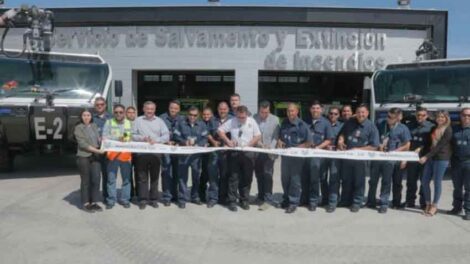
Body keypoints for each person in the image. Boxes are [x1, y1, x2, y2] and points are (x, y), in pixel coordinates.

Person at [367, 108, 411, 214]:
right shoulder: (380, 123)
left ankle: (383, 203)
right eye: (387, 116)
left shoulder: (403, 128)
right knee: (372, 181)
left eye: (391, 117)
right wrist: (378, 145)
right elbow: (373, 135)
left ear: (397, 118)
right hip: (378, 157)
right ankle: (371, 201)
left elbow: (407, 145)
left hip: (390, 159)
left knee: (386, 182)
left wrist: (395, 152)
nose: (388, 119)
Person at [218, 105, 261, 212]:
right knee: (233, 177)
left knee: (247, 178)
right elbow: (220, 130)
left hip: (248, 153)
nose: (241, 119)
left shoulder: (252, 121)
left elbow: (258, 135)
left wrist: (250, 145)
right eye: (239, 117)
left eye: (243, 117)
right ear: (236, 114)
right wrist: (228, 141)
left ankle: (244, 200)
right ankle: (232, 201)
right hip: (234, 153)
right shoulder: (232, 121)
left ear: (247, 114)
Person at [337, 104, 379, 212]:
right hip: (347, 157)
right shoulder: (349, 122)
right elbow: (342, 133)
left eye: (363, 112)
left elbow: (374, 146)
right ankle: (345, 200)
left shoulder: (371, 126)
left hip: (360, 160)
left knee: (359, 181)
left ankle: (357, 202)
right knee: (346, 180)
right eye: (359, 112)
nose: (361, 114)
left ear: (367, 113)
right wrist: (340, 140)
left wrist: (358, 150)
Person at [132, 101, 170, 210]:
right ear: (143, 109)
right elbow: (132, 135)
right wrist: (142, 138)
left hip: (155, 153)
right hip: (141, 153)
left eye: (152, 109)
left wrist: (157, 140)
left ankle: (154, 199)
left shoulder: (160, 121)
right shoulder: (138, 121)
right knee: (142, 177)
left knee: (154, 177)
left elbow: (166, 136)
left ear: (155, 109)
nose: (149, 111)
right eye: (147, 109)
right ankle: (143, 199)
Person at [278, 103, 311, 214]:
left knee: (295, 181)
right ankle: (286, 199)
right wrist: (280, 141)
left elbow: (309, 142)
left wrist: (295, 148)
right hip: (286, 157)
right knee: (285, 179)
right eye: (288, 111)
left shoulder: (303, 125)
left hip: (297, 158)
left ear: (297, 111)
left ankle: (293, 202)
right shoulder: (284, 123)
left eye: (292, 111)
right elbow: (281, 137)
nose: (290, 113)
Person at [174, 106, 209, 208]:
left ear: (198, 115)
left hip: (196, 157)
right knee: (182, 178)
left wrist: (198, 144)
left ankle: (195, 197)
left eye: (195, 115)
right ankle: (182, 199)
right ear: (187, 114)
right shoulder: (181, 123)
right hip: (183, 156)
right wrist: (184, 142)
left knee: (196, 178)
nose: (192, 117)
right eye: (191, 115)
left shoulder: (202, 124)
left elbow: (205, 138)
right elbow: (176, 136)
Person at [419, 110, 452, 216]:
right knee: (424, 181)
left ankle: (434, 206)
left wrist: (426, 157)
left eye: (442, 117)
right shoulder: (434, 128)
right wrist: (420, 150)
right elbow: (430, 144)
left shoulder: (448, 129)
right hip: (431, 157)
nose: (440, 118)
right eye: (438, 117)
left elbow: (440, 146)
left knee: (437, 182)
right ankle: (428, 203)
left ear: (446, 118)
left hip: (441, 158)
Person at [303, 100, 334, 212]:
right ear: (310, 110)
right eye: (313, 108)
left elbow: (329, 139)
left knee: (317, 179)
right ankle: (306, 199)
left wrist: (318, 148)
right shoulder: (305, 121)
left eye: (317, 108)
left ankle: (314, 201)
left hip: (319, 156)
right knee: (306, 178)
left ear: (321, 110)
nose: (315, 110)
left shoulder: (326, 123)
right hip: (306, 155)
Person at [74, 109, 106, 213]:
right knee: (86, 180)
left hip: (95, 155)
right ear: (81, 116)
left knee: (96, 179)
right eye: (84, 115)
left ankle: (94, 202)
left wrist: (103, 140)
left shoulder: (94, 126)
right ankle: (86, 203)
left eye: (88, 115)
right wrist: (98, 150)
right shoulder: (78, 128)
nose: (86, 117)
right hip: (84, 156)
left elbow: (98, 139)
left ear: (91, 117)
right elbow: (83, 144)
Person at [102, 104, 133, 209]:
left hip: (125, 156)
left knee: (126, 180)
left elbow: (132, 136)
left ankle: (125, 199)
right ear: (113, 113)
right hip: (113, 156)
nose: (118, 114)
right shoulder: (109, 122)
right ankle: (111, 200)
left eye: (120, 112)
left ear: (124, 113)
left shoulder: (129, 123)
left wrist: (123, 137)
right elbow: (104, 136)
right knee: (111, 179)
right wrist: (117, 138)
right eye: (116, 112)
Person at [403, 107, 434, 209]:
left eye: (423, 115)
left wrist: (422, 148)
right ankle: (409, 201)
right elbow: (406, 141)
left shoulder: (432, 127)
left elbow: (433, 143)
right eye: (418, 115)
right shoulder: (409, 125)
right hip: (412, 158)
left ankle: (424, 203)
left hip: (425, 158)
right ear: (415, 115)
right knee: (411, 181)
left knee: (424, 181)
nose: (420, 117)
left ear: (427, 116)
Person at [253, 100, 280, 211]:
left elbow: (276, 136)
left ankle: (268, 199)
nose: (264, 114)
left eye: (266, 112)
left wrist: (271, 147)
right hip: (258, 151)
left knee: (267, 175)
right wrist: (260, 144)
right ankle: (260, 196)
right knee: (259, 174)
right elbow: (253, 133)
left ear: (269, 110)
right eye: (262, 112)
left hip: (269, 152)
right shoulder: (254, 118)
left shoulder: (275, 119)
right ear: (259, 110)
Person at [159, 100, 184, 206]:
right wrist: (165, 141)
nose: (173, 110)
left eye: (175, 108)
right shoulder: (161, 118)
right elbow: (157, 132)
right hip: (166, 149)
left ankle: (176, 195)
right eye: (171, 108)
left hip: (178, 149)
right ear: (168, 108)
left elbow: (185, 133)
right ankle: (167, 197)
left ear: (179, 109)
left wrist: (180, 141)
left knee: (178, 173)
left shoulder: (183, 119)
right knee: (166, 173)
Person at [449, 108, 470, 221]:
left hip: (469, 162)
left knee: (469, 188)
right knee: (457, 187)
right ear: (460, 116)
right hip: (456, 162)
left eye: (469, 115)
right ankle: (457, 208)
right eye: (464, 115)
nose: (467, 117)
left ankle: (468, 210)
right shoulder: (454, 129)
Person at [199, 107, 220, 208]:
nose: (206, 116)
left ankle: (213, 197)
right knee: (203, 175)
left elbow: (215, 134)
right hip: (201, 153)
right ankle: (201, 195)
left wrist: (214, 142)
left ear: (212, 115)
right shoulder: (199, 123)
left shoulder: (215, 122)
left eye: (208, 114)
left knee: (212, 175)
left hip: (213, 152)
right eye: (204, 114)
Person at [92, 97, 112, 201]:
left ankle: (106, 196)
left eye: (102, 104)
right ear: (95, 106)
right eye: (97, 105)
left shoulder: (112, 117)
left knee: (107, 175)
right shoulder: (90, 117)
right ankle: (94, 198)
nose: (100, 106)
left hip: (108, 151)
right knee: (95, 177)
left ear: (105, 105)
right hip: (95, 151)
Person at [324, 106, 343, 212]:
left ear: (339, 115)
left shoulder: (342, 126)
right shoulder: (323, 124)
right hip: (322, 154)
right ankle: (325, 199)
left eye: (335, 114)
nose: (333, 115)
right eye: (331, 113)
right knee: (322, 178)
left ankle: (332, 202)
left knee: (334, 179)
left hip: (335, 156)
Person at [214, 101, 232, 204]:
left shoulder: (232, 120)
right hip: (214, 152)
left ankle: (224, 197)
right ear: (218, 109)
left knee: (226, 175)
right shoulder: (213, 119)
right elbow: (209, 132)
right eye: (221, 109)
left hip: (227, 153)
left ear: (228, 110)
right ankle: (214, 197)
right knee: (213, 175)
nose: (222, 111)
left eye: (224, 109)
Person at [126, 106, 138, 200]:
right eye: (129, 112)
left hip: (138, 151)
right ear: (126, 113)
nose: (131, 114)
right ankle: (129, 193)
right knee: (128, 173)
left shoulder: (139, 122)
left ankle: (138, 192)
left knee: (138, 172)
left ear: (135, 113)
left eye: (132, 112)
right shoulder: (124, 123)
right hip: (127, 152)